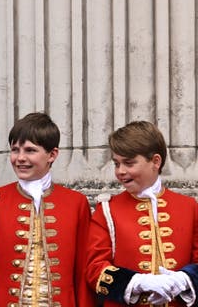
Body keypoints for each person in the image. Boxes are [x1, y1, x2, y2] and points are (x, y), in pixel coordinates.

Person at [0, 112, 95, 306]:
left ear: (52, 155)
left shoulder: (76, 203)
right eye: (15, 150)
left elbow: (82, 269)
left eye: (30, 150)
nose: (20, 158)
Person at [86, 120, 198, 306]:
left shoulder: (189, 207)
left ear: (155, 161)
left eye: (129, 163)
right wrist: (137, 282)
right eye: (116, 163)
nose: (120, 171)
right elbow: (94, 269)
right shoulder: (106, 210)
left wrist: (185, 280)